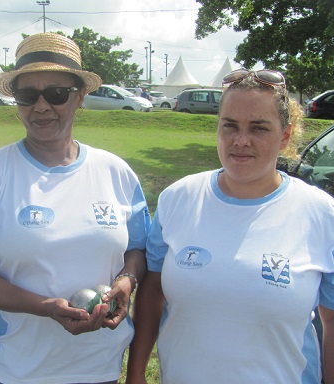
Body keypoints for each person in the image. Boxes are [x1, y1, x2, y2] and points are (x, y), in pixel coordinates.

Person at [0, 32, 150, 384]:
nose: (41, 107)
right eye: (28, 95)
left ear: (80, 97)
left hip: (100, 368)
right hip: (21, 370)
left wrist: (126, 280)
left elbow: (137, 249)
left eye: (57, 94)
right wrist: (45, 307)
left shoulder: (116, 171)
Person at [126, 68, 334, 384]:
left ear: (285, 135)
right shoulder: (178, 198)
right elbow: (153, 290)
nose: (240, 141)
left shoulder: (321, 213)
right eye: (230, 126)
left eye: (259, 128)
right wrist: (136, 374)